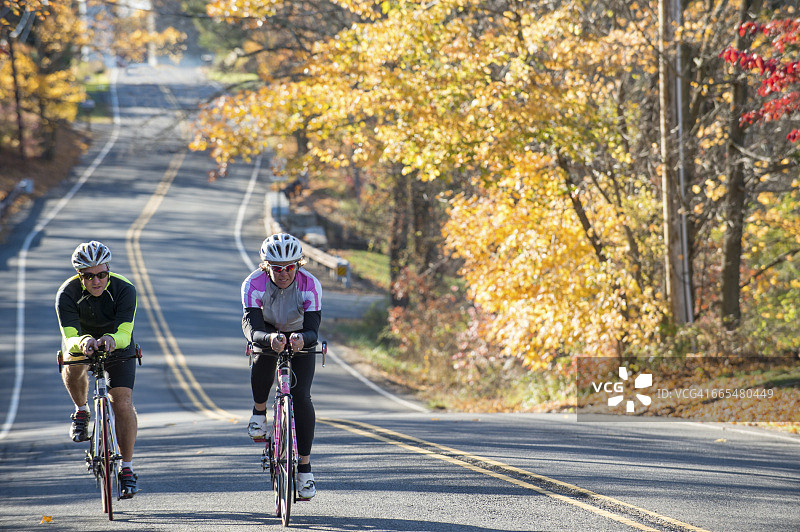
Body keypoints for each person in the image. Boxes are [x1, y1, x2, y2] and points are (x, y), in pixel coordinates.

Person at [55, 240, 140, 498]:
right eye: (89, 276)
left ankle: (126, 468)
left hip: (118, 343)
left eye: (102, 274)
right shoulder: (66, 294)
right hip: (82, 341)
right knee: (71, 358)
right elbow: (69, 336)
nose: (97, 281)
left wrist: (113, 340)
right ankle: (82, 410)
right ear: (79, 276)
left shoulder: (124, 289)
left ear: (108, 270)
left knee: (122, 404)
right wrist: (82, 342)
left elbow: (125, 331)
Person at [241, 233, 322, 500]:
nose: (284, 273)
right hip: (265, 329)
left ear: (298, 264)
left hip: (300, 333)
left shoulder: (311, 284)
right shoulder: (253, 283)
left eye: (289, 267)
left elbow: (313, 330)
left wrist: (301, 339)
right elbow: (252, 329)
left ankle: (305, 469)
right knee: (262, 354)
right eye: (277, 268)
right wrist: (268, 339)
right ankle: (259, 412)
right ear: (267, 267)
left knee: (301, 396)